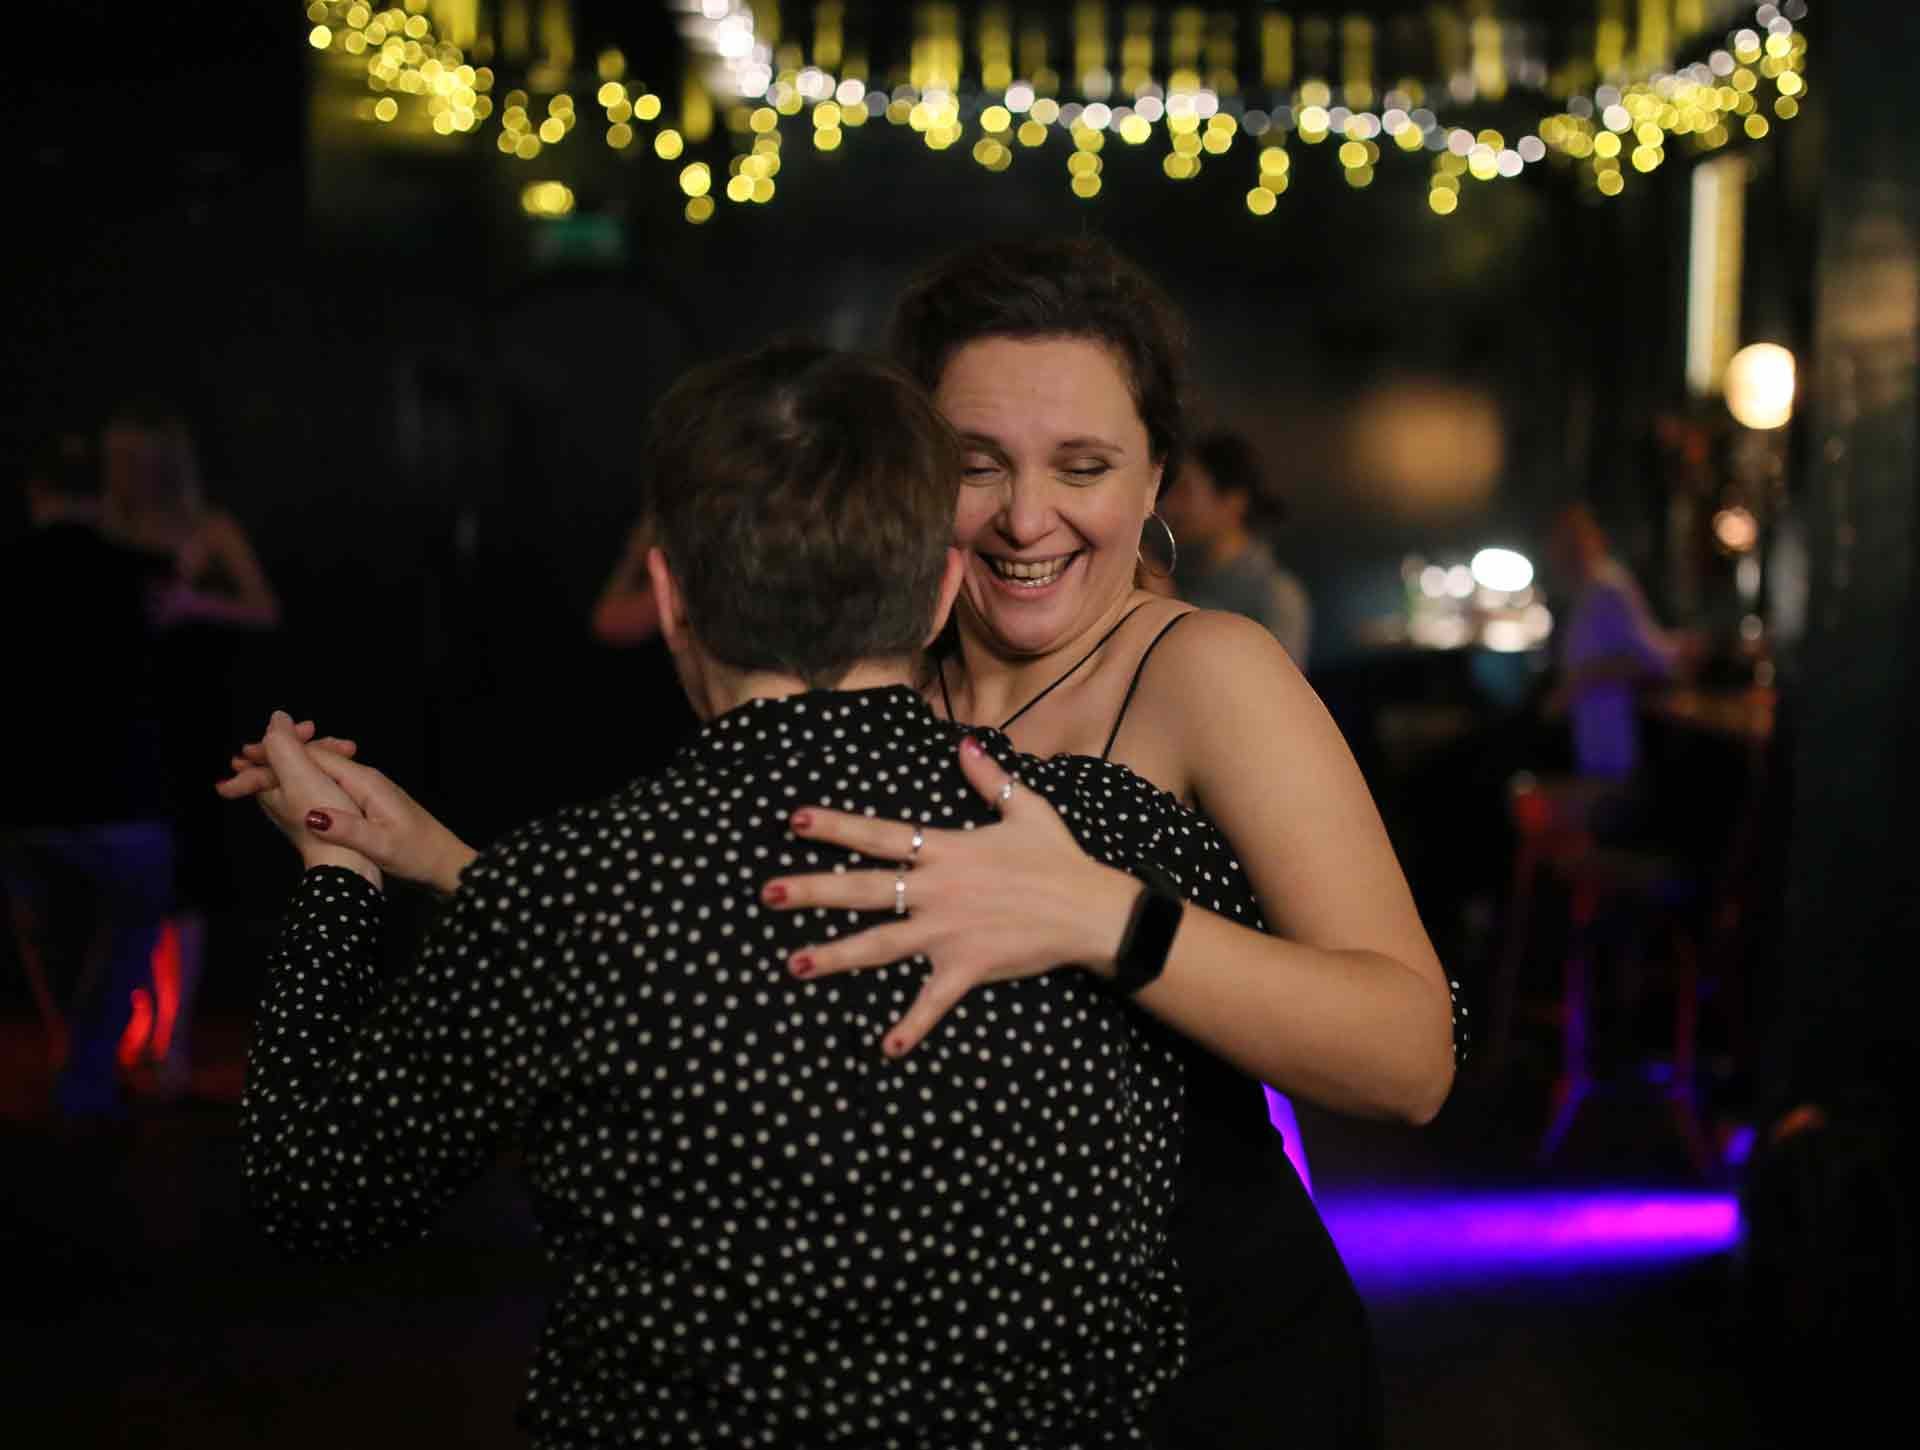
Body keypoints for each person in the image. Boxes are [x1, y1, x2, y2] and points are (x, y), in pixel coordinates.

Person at [221, 343, 1276, 1448]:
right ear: (939, 590)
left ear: (671, 596)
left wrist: (337, 877)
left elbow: (312, 1190)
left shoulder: (571, 894)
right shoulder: (1107, 833)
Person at [759, 238, 1461, 1448]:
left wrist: (1103, 917)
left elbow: (1411, 1059)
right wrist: (466, 878)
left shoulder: (1208, 672)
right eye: (979, 465)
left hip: (1203, 1376)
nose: (1029, 517)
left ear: (1154, 483)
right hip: (938, 1382)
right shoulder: (865, 671)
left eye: (1083, 466)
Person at [100, 401, 281, 1097]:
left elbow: (264, 609)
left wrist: (195, 604)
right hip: (121, 720)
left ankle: (172, 1039)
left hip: (193, 715)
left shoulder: (209, 527)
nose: (135, 475)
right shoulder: (107, 531)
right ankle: (134, 1026)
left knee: (190, 879)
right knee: (130, 878)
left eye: (144, 461)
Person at [1, 433, 174, 1118]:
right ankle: (86, 1072)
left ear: (35, 494)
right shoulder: (144, 572)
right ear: (102, 497)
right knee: (132, 921)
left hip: (21, 803)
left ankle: (72, 1055)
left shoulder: (8, 570)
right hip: (124, 799)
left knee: (43, 934)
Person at [1543, 502, 1700, 842]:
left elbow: (1653, 657)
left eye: (1573, 542)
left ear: (1592, 541)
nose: (1563, 552)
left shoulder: (1610, 588)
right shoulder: (1586, 593)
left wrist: (1581, 682)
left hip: (1617, 752)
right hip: (1594, 749)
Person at [1158, 429, 1313, 667]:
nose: (1168, 506)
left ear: (1232, 502)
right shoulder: (1182, 578)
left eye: (1184, 492)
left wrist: (1172, 613)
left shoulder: (1276, 596)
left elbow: (1269, 695)